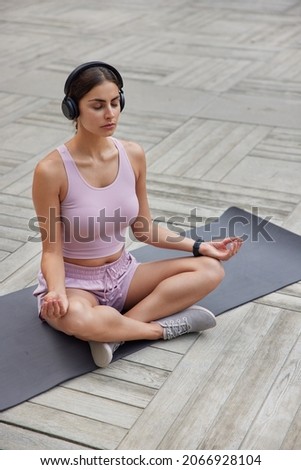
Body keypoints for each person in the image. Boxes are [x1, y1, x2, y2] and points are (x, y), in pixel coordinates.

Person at [32, 61, 242, 367]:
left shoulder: (132, 154)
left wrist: (199, 246)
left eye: (115, 103)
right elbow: (51, 250)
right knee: (78, 316)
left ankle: (115, 333)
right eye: (98, 106)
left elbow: (143, 229)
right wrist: (56, 292)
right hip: (75, 283)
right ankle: (158, 330)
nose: (110, 114)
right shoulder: (50, 170)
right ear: (72, 109)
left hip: (123, 274)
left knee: (211, 270)